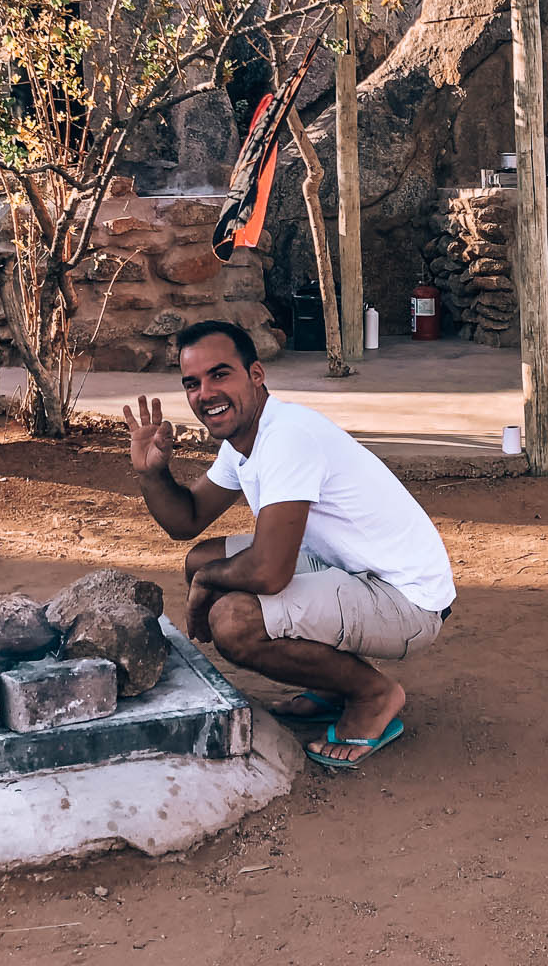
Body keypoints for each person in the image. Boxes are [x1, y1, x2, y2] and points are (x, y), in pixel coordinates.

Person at [122, 320, 455, 769]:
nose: (206, 393)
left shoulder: (286, 437)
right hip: (355, 572)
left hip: (406, 601)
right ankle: (334, 681)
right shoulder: (245, 438)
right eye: (193, 383)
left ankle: (372, 695)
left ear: (256, 375)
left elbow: (269, 572)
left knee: (234, 621)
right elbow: (187, 520)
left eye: (220, 374)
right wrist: (152, 472)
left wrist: (206, 583)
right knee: (202, 557)